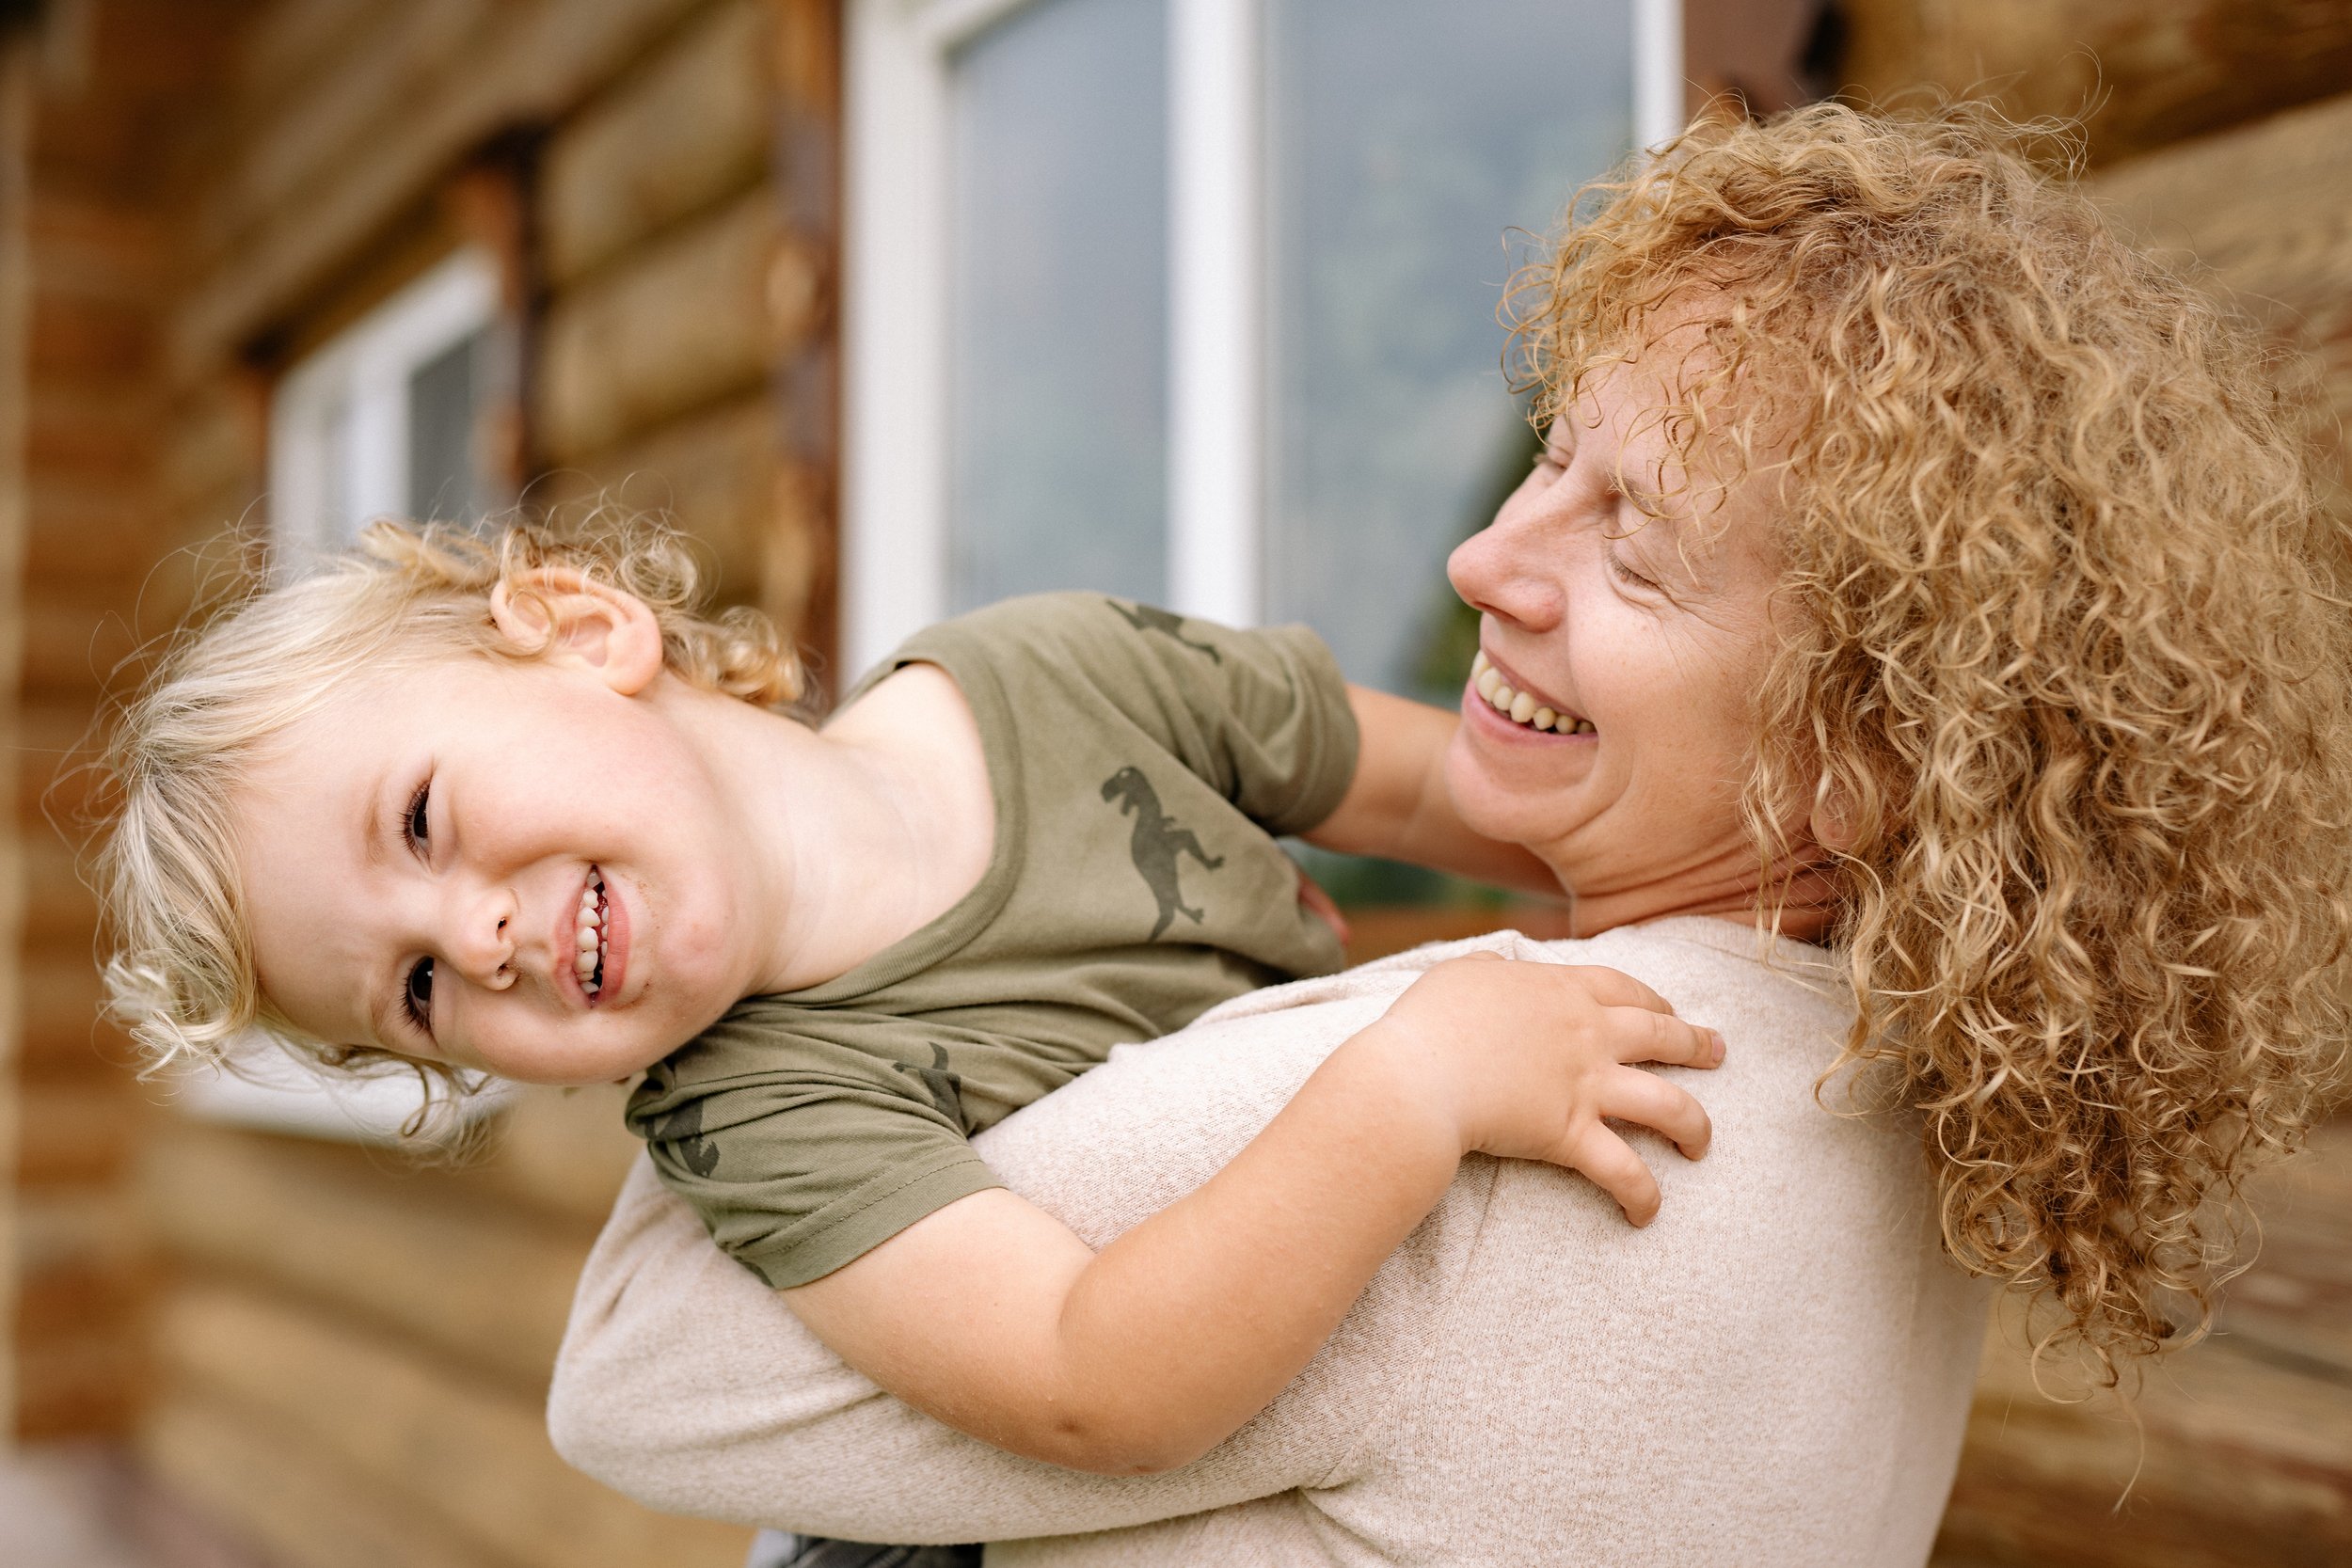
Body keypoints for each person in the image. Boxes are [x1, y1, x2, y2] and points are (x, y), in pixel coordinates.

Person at [545, 103, 2352, 1567]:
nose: (1483, 562)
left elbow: (639, 1374)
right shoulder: (1901, 1115)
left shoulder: (1458, 1106)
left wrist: (769, 849)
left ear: (1862, 758)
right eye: (1546, 458)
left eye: (1628, 548)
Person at [97, 513, 1737, 1494]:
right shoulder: (758, 1112)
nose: (484, 939)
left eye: (423, 824)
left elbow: (1472, 807)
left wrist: (1709, 908)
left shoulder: (1056, 669)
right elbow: (1090, 1381)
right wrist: (1419, 1086)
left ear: (584, 628)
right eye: (420, 992)